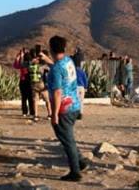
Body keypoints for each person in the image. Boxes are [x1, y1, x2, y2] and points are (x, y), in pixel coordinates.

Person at [47, 35, 87, 182]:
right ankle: (79, 162)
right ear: (64, 48)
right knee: (68, 137)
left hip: (64, 109)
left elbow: (57, 92)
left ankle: (75, 171)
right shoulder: (68, 61)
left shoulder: (56, 69)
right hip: (75, 105)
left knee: (67, 139)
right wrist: (48, 62)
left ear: (51, 49)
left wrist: (54, 114)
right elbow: (60, 70)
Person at [13, 48, 35, 118]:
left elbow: (15, 65)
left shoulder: (22, 65)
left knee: (24, 98)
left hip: (22, 81)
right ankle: (32, 112)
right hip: (30, 82)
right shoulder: (32, 64)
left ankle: (24, 112)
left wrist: (19, 57)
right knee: (30, 98)